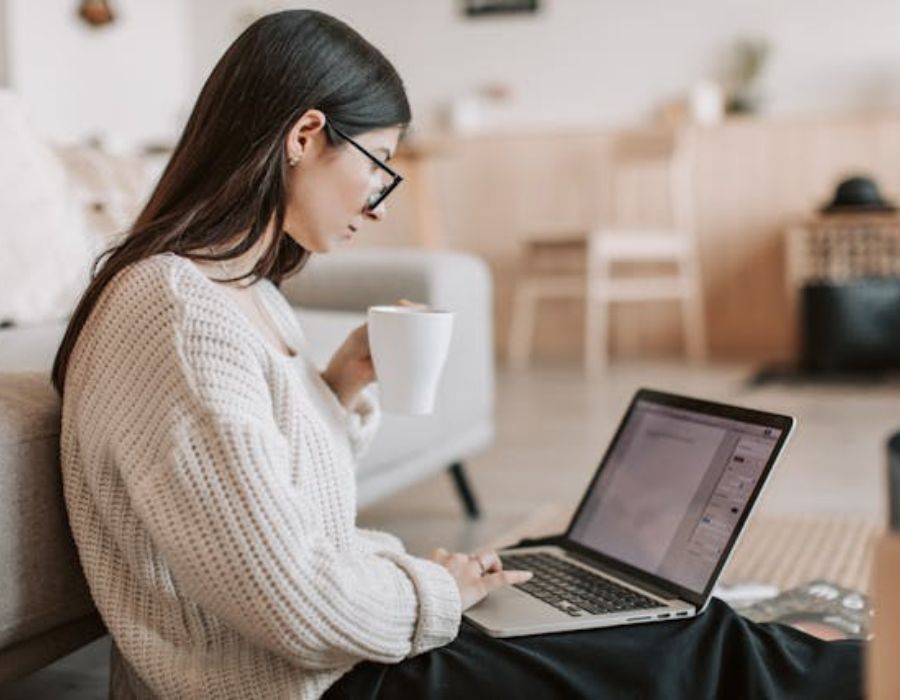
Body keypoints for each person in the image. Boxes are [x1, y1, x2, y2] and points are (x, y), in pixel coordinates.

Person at [52, 9, 863, 699]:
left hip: (335, 658)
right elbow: (291, 601)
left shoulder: (243, 293)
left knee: (687, 629)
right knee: (698, 648)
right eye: (378, 166)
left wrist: (335, 389)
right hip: (307, 683)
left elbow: (276, 515)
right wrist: (438, 590)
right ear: (305, 135)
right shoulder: (176, 311)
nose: (378, 205)